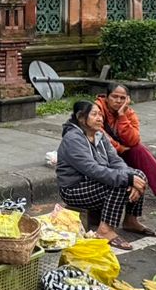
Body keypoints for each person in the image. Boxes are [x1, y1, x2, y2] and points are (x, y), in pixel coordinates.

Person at [57, 100, 150, 250]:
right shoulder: (73, 139)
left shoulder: (100, 136)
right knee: (121, 182)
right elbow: (92, 169)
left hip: (95, 183)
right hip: (74, 189)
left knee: (139, 175)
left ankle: (130, 220)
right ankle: (105, 230)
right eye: (94, 114)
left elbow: (116, 161)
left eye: (100, 114)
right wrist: (127, 179)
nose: (99, 118)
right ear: (81, 118)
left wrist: (131, 176)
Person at [95, 85, 156, 200]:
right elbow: (99, 133)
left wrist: (122, 115)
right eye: (114, 97)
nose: (118, 101)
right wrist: (120, 148)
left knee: (138, 149)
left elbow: (133, 140)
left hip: (119, 153)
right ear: (107, 97)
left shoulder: (128, 113)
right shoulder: (97, 109)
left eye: (122, 98)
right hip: (100, 152)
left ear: (127, 100)